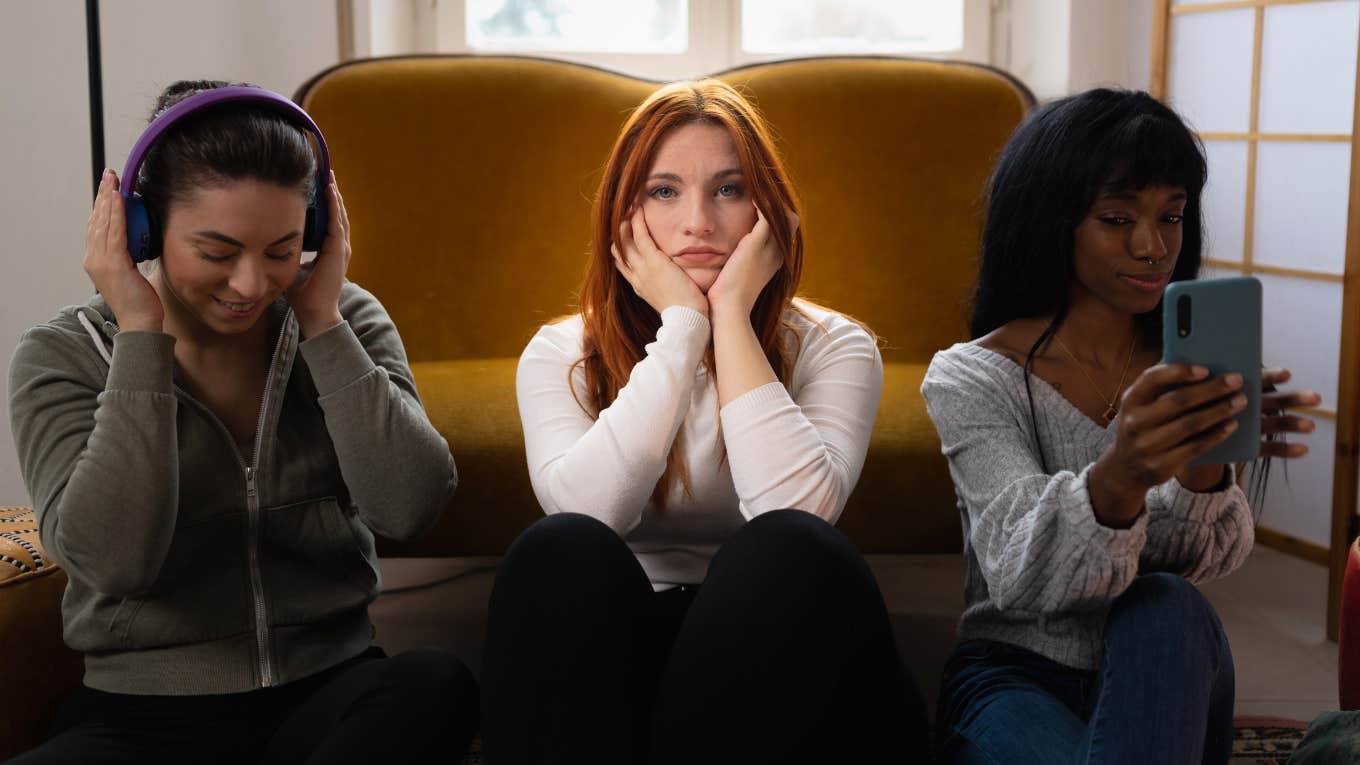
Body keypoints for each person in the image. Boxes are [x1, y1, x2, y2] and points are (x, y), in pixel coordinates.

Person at [6, 81, 476, 764]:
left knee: (437, 684)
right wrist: (141, 336)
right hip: (144, 717)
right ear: (141, 228)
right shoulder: (64, 354)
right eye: (218, 252)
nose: (253, 284)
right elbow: (114, 561)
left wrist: (324, 324)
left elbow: (408, 506)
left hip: (329, 689)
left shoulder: (344, 319)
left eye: (283, 249)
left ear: (317, 230)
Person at [480, 79, 927, 764]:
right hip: (624, 644)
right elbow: (588, 513)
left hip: (779, 651)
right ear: (622, 216)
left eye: (728, 189)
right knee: (556, 548)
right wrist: (683, 326)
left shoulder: (836, 345)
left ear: (768, 213)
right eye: (664, 191)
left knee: (788, 547)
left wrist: (730, 317)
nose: (698, 223)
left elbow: (797, 511)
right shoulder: (561, 352)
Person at [921, 88, 1321, 765]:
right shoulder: (972, 376)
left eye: (1172, 216)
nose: (1153, 246)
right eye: (1117, 218)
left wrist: (1203, 464)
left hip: (1167, 669)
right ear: (1054, 221)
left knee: (1166, 601)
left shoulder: (1191, 370)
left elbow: (1198, 562)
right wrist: (1121, 474)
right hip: (1016, 671)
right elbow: (1018, 572)